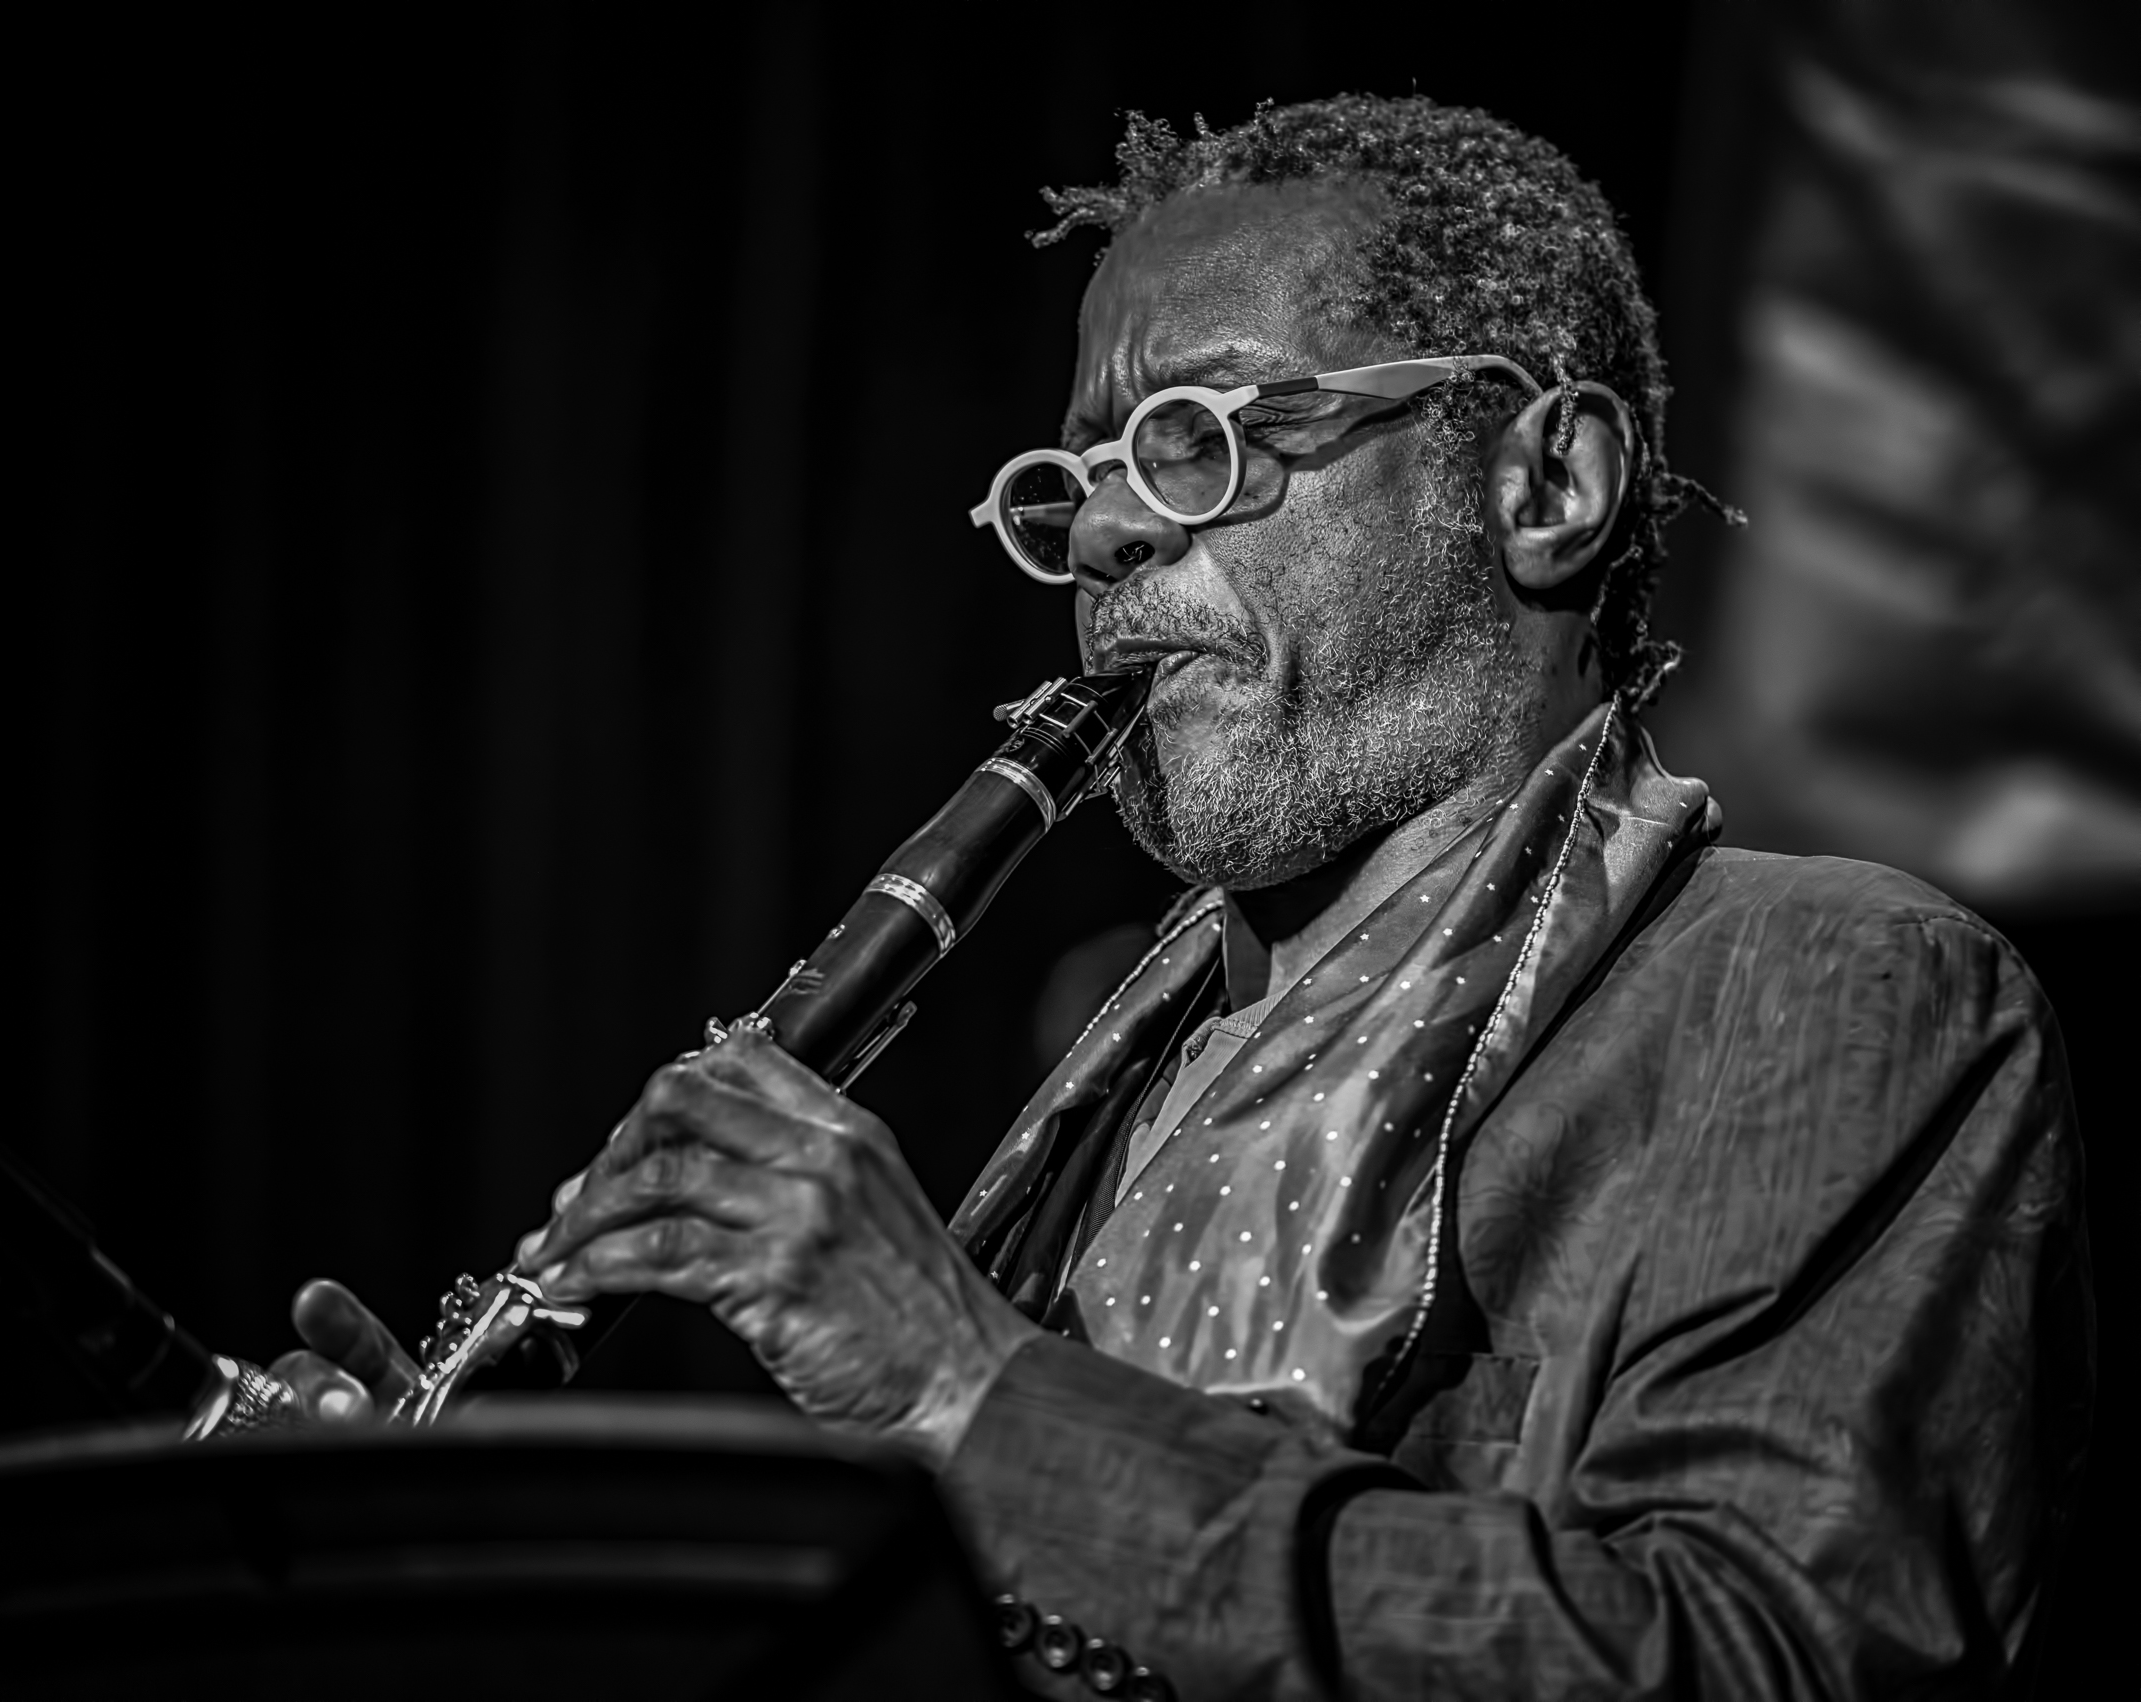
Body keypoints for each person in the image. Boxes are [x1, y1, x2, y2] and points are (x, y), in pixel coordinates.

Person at [272, 95, 2090, 1699]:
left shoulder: (1839, 986)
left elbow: (1766, 1656)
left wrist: (979, 1387)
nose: (1117, 534)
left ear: (1549, 482)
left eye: (1208, 444)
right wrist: (454, 1569)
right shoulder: (1121, 1068)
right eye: (1080, 485)